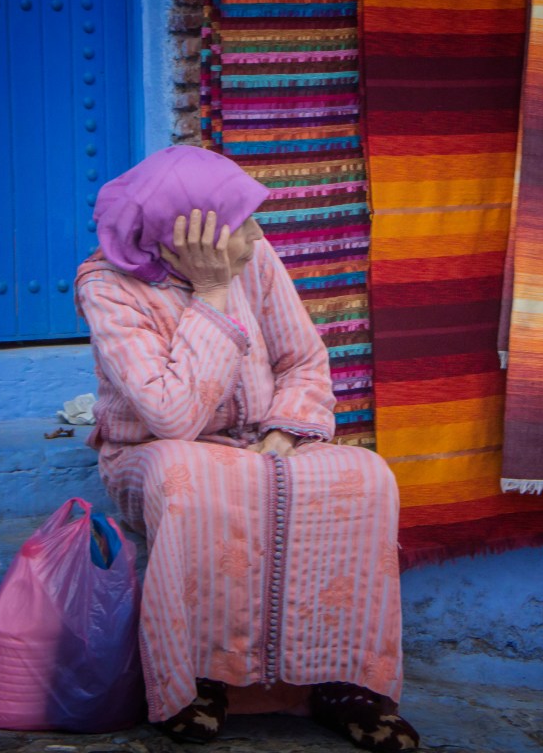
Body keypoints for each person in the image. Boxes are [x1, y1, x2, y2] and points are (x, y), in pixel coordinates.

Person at [74, 145, 419, 750]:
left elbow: (303, 360)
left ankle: (343, 681)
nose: (259, 234)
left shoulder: (254, 256)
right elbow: (172, 417)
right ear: (184, 236)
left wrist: (284, 433)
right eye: (242, 222)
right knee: (192, 478)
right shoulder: (108, 287)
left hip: (266, 441)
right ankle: (200, 681)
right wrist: (210, 294)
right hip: (156, 452)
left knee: (367, 477)